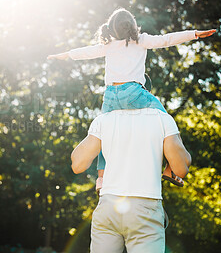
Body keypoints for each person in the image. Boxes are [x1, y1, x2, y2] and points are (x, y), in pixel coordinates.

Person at [48, 8, 215, 190]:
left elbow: (86, 52)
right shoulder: (140, 40)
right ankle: (170, 168)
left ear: (111, 29)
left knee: (104, 136)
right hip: (134, 93)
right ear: (133, 26)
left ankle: (102, 178)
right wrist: (194, 34)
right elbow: (167, 39)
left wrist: (64, 55)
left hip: (111, 96)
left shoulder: (108, 44)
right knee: (166, 122)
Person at [71, 107, 192, 252]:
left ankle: (102, 180)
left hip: (108, 205)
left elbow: (77, 165)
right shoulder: (162, 118)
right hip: (145, 206)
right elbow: (181, 169)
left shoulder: (103, 120)